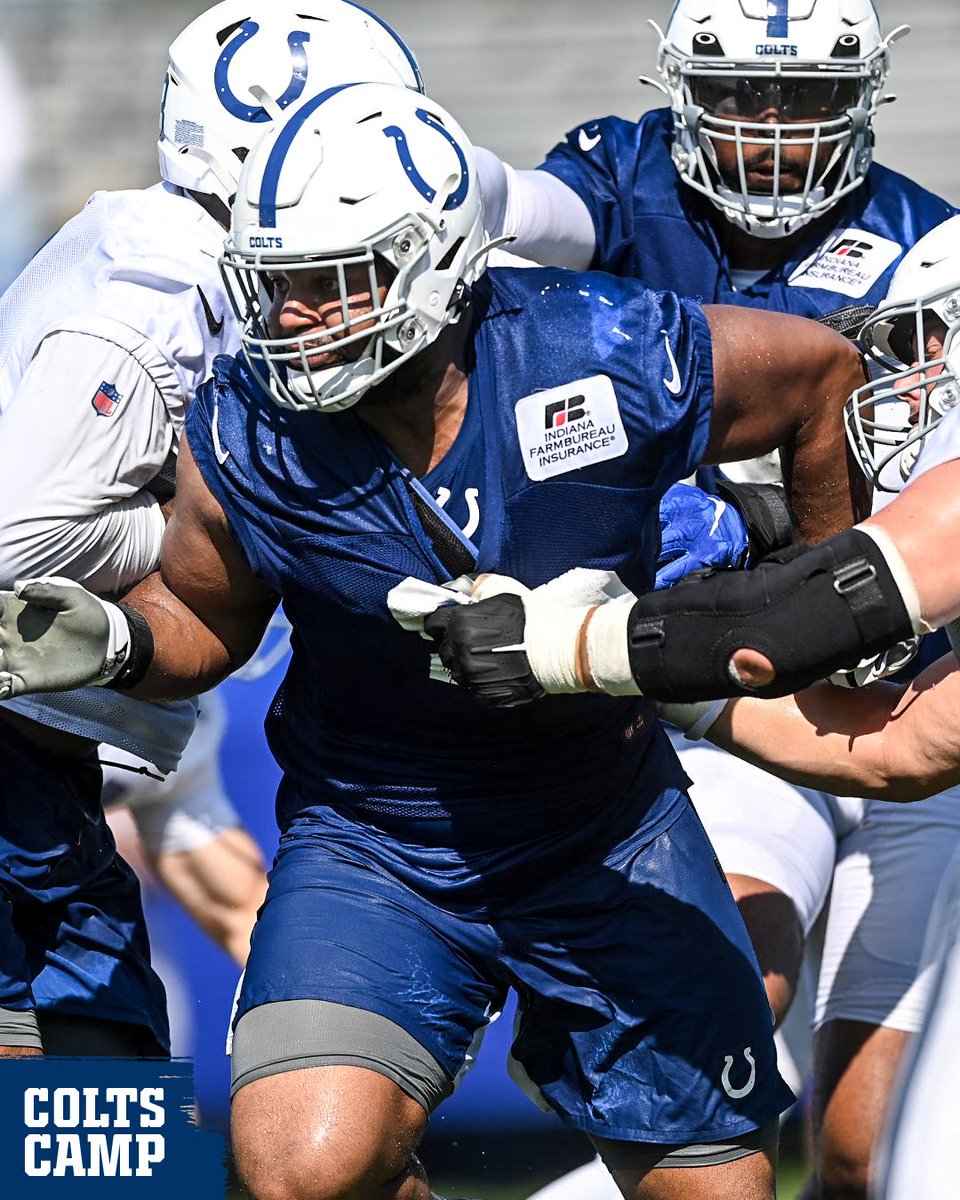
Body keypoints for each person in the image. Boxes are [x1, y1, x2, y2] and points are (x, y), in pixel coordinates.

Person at [0, 79, 876, 1200]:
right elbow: (206, 627)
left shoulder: (601, 345)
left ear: (437, 262)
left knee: (718, 1190)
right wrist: (116, 642)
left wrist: (815, 595)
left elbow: (818, 374)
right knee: (296, 1172)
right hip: (378, 842)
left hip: (605, 827)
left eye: (328, 284)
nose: (294, 318)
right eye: (277, 288)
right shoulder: (245, 426)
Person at [473, 4, 959, 1193]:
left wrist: (594, 647)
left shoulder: (918, 246)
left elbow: (907, 734)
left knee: (874, 1151)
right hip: (800, 692)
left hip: (879, 702)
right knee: (732, 1009)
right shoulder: (620, 180)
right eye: (741, 93)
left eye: (921, 353)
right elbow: (488, 217)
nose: (773, 128)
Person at [0, 0, 422, 1058]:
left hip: (45, 775)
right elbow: (13, 545)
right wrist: (247, 539)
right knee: (97, 1134)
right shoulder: (153, 299)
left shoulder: (189, 261)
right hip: (14, 772)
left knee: (110, 1135)